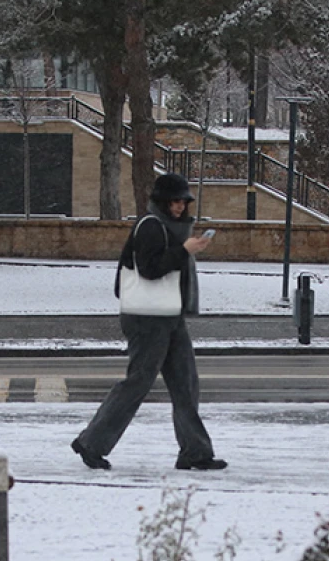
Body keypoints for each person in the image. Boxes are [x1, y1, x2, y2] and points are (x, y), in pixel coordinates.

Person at [71, 173, 227, 472]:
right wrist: (184, 250)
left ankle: (194, 452)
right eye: (174, 201)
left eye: (183, 202)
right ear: (162, 201)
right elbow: (149, 269)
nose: (180, 207)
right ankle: (91, 443)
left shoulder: (171, 227)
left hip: (169, 313)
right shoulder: (151, 226)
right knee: (138, 382)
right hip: (146, 318)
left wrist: (185, 248)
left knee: (185, 384)